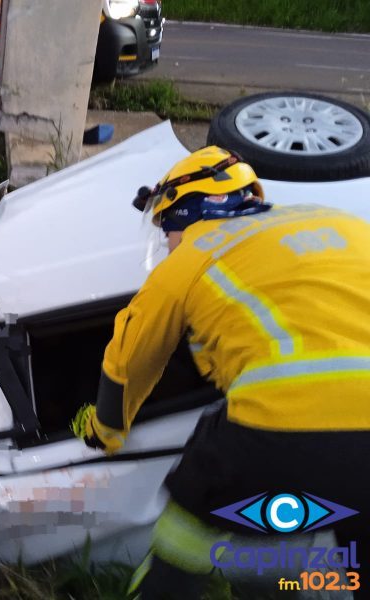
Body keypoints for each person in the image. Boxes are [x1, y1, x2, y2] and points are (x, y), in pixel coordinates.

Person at [72, 146, 370, 598]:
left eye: (167, 230)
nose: (168, 243)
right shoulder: (342, 222)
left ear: (186, 212)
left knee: (187, 528)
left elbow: (128, 360)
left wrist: (104, 431)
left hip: (280, 430)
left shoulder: (193, 255)